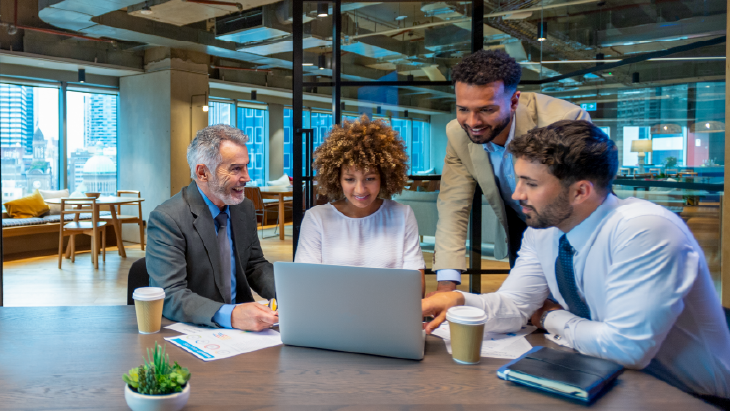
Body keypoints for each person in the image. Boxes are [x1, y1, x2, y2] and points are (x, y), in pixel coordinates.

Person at [423, 120, 730, 400]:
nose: (517, 195)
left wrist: (548, 318)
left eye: (530, 183)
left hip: (690, 396)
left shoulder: (645, 230)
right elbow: (517, 306)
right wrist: (459, 301)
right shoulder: (544, 230)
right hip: (606, 381)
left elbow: (627, 348)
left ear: (580, 191)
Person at [433, 49, 591, 294]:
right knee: (525, 313)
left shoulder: (564, 121)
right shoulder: (457, 133)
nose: (472, 122)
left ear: (514, 101)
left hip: (571, 229)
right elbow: (453, 207)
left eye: (486, 110)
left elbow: (582, 204)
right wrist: (446, 286)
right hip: (520, 227)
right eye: (463, 109)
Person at [147, 124, 278, 331]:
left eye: (246, 166)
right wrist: (231, 315)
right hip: (195, 329)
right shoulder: (168, 218)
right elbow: (170, 294)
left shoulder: (243, 207)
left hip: (247, 332)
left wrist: (291, 294)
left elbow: (254, 265)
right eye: (236, 168)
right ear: (202, 173)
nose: (247, 177)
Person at [295, 115, 426, 294]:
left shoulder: (403, 215)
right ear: (337, 179)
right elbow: (305, 285)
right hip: (332, 316)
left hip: (389, 315)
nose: (360, 189)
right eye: (350, 179)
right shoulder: (317, 218)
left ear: (384, 177)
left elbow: (415, 288)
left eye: (370, 178)